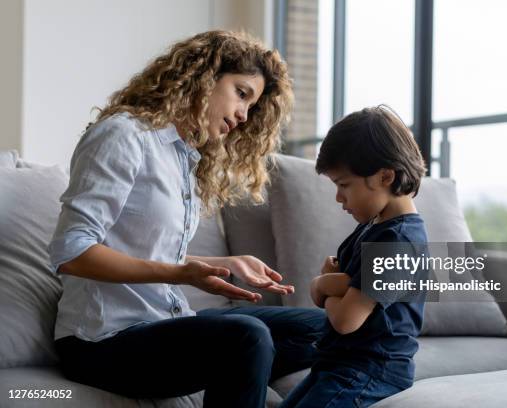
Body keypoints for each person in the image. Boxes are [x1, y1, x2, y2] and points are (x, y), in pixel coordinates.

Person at [48, 30, 325, 408]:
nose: (244, 115)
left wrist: (220, 264)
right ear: (203, 77)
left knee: (323, 330)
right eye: (241, 93)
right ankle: (243, 368)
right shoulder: (123, 136)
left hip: (162, 323)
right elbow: (71, 251)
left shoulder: (184, 158)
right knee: (248, 336)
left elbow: (146, 251)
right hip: (101, 341)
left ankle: (243, 373)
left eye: (252, 105)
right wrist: (182, 274)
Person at [280, 106, 429, 408]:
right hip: (339, 365)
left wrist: (324, 285)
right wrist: (338, 285)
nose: (338, 197)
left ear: (385, 176)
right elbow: (338, 292)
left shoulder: (399, 242)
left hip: (371, 372)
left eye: (343, 185)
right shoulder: (372, 227)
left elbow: (347, 320)